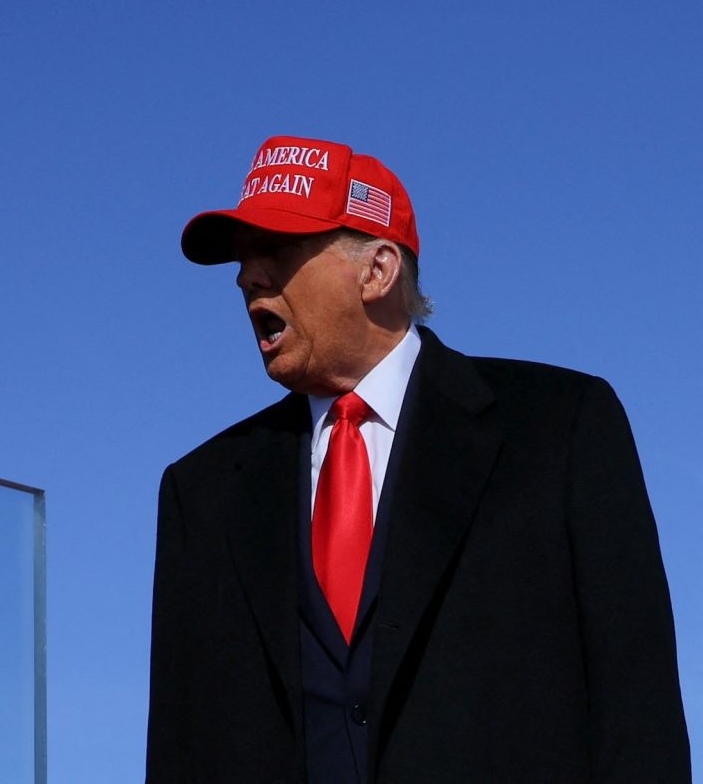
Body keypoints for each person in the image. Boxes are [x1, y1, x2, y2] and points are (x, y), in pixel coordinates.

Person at [145, 135, 690, 783]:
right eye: (242, 258)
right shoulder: (200, 493)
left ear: (378, 270)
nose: (247, 276)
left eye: (279, 250)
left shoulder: (562, 427)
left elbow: (639, 712)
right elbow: (180, 750)